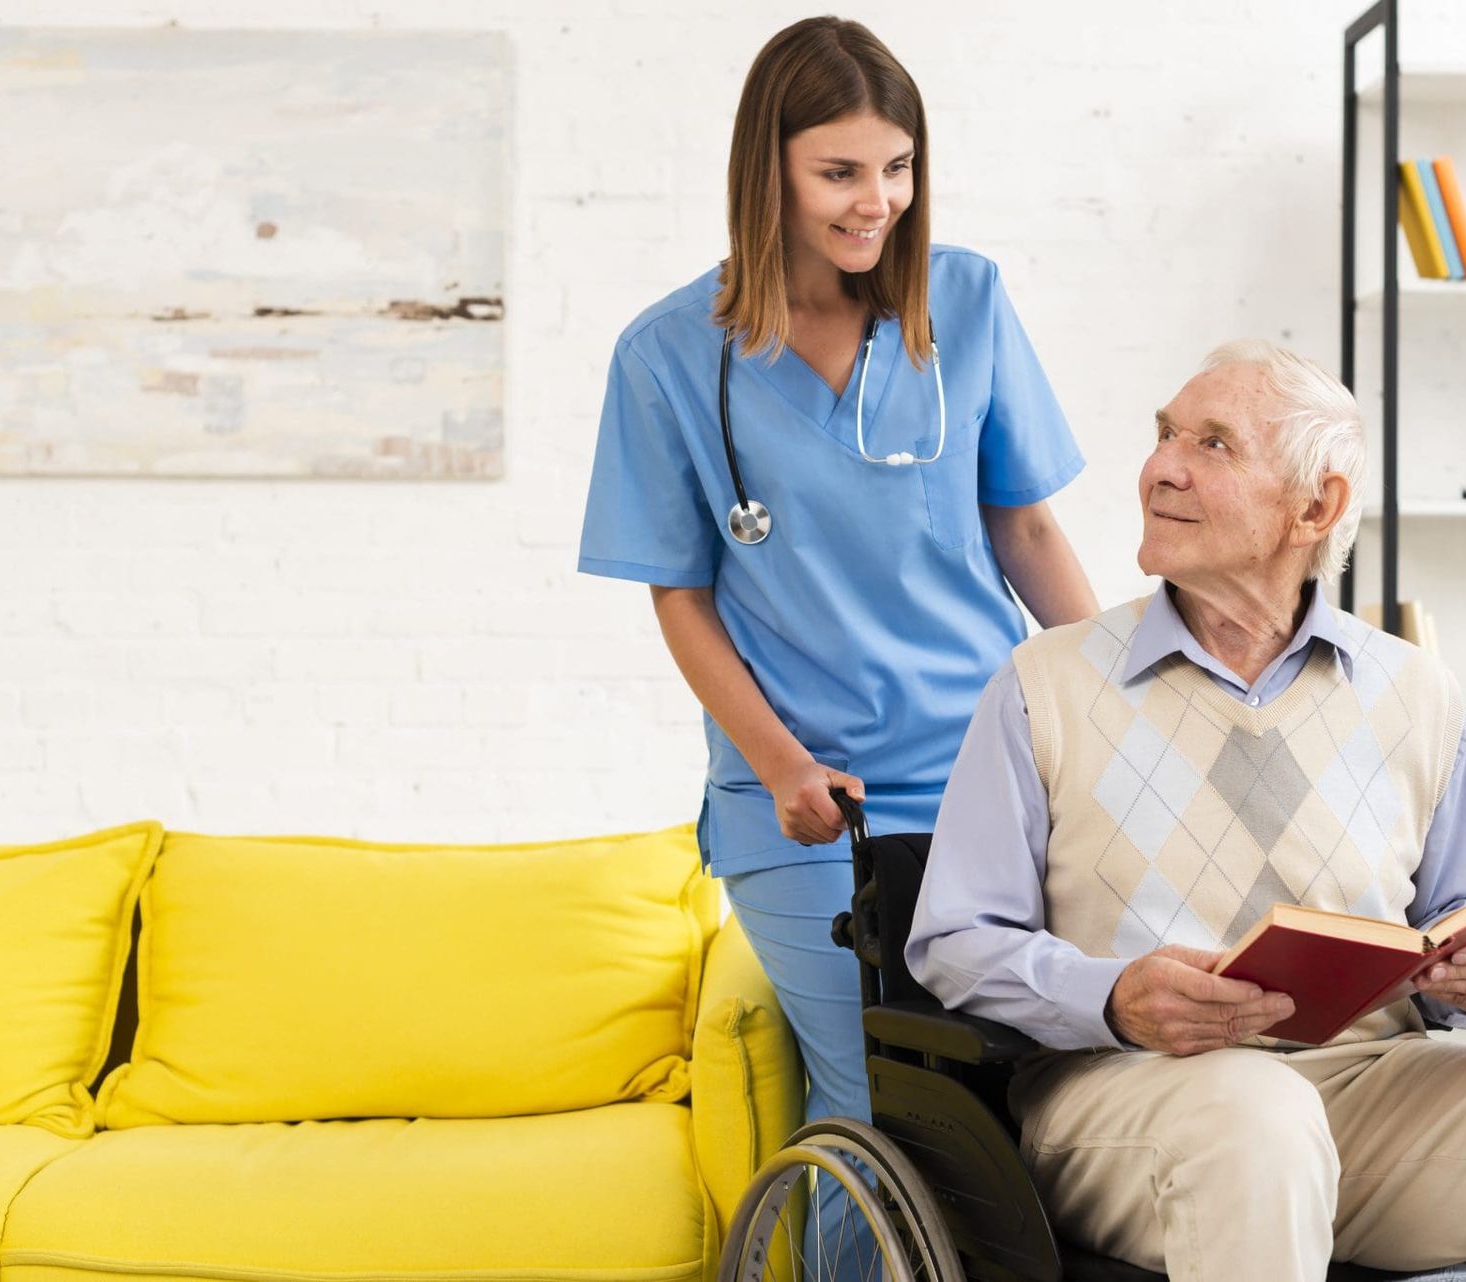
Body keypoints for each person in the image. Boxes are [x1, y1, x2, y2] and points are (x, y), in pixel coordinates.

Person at [906, 340, 1466, 1281]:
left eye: (1214, 445)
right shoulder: (1042, 686)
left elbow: (1455, 927)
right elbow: (954, 941)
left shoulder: (1415, 690)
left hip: (1365, 1091)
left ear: (1317, 507)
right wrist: (1111, 997)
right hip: (1128, 1101)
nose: (1161, 467)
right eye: (1165, 435)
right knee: (1256, 1119)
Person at [577, 14, 1098, 1257]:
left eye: (899, 167)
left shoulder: (961, 303)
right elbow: (682, 598)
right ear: (770, 170)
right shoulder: (667, 358)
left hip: (991, 783)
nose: (879, 202)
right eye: (841, 171)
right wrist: (778, 764)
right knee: (886, 1111)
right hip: (812, 804)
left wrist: (1131, 706)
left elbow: (1024, 530)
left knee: (1001, 1105)